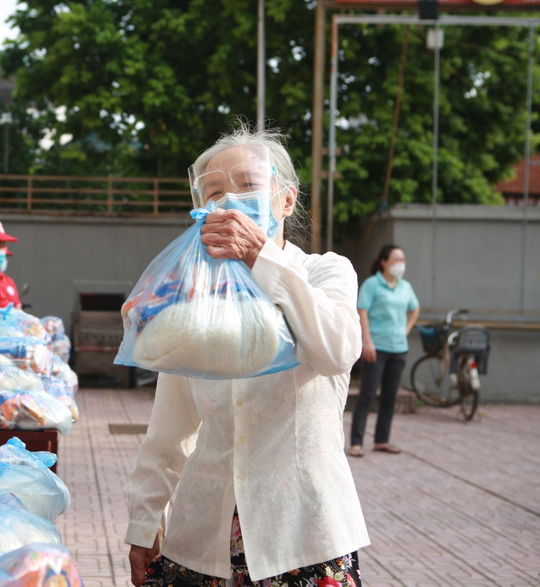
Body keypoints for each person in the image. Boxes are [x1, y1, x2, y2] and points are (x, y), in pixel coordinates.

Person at [125, 123, 369, 587]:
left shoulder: (325, 273)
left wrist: (262, 258)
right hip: (201, 541)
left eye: (249, 186)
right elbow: (170, 427)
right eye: (214, 192)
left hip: (304, 538)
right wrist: (144, 521)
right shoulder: (195, 299)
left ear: (286, 199)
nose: (229, 201)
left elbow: (338, 349)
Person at [348, 244, 420, 457]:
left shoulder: (405, 287)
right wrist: (366, 341)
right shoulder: (372, 284)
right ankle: (356, 442)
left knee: (389, 397)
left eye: (402, 260)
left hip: (398, 348)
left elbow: (415, 309)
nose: (400, 264)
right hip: (376, 347)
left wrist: (405, 330)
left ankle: (381, 440)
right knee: (368, 395)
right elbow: (363, 311)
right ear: (384, 262)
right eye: (396, 259)